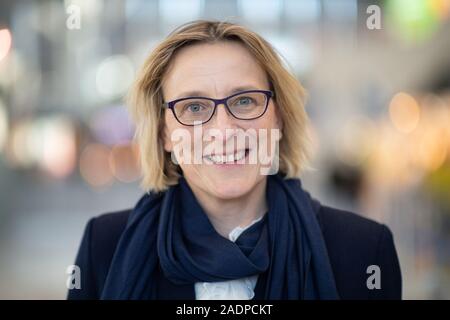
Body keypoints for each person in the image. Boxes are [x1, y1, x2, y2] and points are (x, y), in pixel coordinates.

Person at [68, 20, 401, 300]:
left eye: (244, 101)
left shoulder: (364, 249)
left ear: (279, 117)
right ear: (164, 132)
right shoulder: (105, 246)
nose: (224, 130)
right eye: (194, 108)